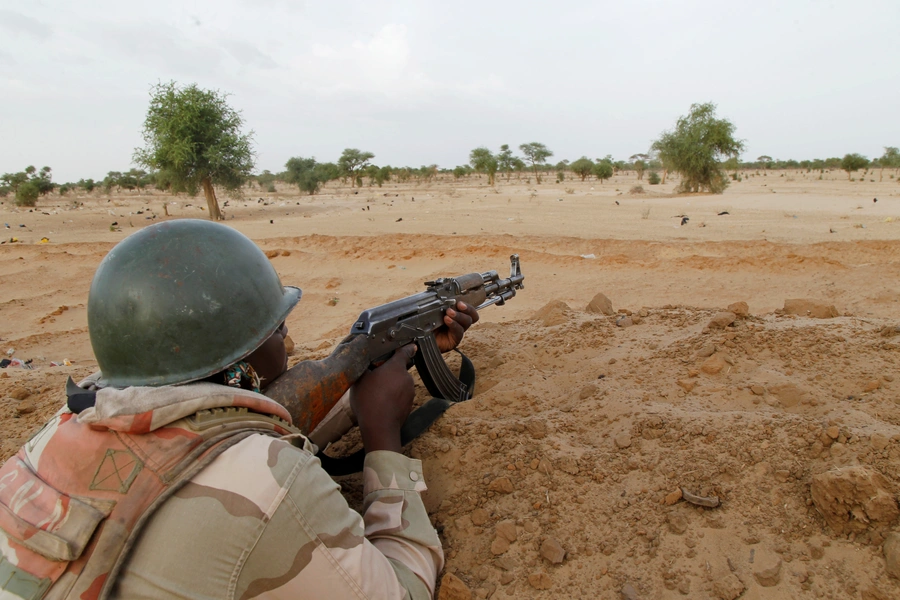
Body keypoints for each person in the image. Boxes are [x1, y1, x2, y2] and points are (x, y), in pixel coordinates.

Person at [0, 219, 479, 600]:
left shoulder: (59, 430)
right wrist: (382, 432)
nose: (287, 340)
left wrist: (358, 375)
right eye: (276, 328)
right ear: (241, 360)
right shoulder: (268, 482)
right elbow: (401, 591)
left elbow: (226, 428)